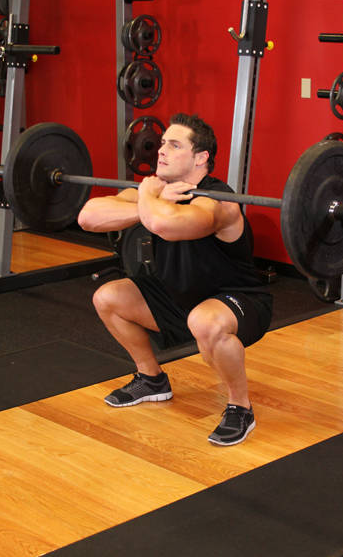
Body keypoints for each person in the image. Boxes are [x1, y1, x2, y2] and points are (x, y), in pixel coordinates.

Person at [77, 113, 273, 446]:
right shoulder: (157, 193)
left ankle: (240, 406)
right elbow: (88, 216)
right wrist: (149, 199)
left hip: (237, 302)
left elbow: (167, 225)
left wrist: (147, 197)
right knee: (108, 297)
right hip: (177, 298)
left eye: (174, 144)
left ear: (201, 158)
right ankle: (151, 379)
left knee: (205, 321)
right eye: (163, 142)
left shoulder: (219, 201)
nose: (161, 150)